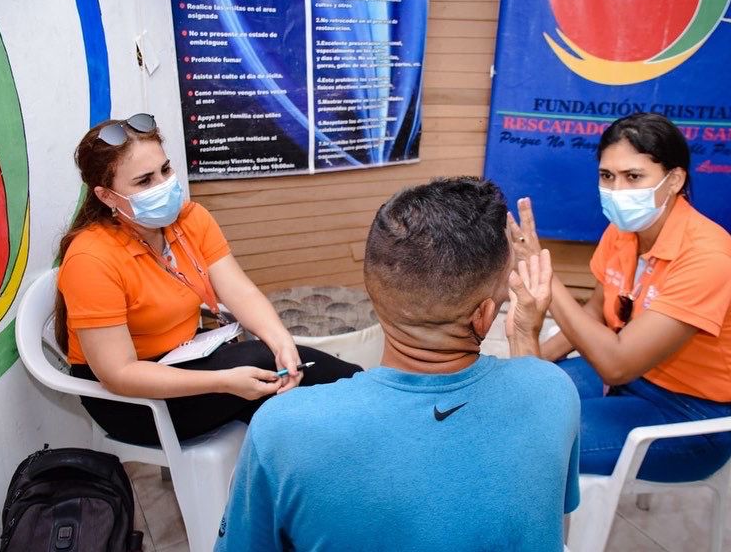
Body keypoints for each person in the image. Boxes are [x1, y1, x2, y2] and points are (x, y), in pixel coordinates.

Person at [216, 177, 580, 552]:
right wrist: (524, 333)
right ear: (485, 316)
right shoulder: (555, 393)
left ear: (374, 291)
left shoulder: (282, 430)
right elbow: (545, 504)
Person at [56, 113, 361, 445]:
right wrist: (224, 382)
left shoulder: (190, 220)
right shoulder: (91, 259)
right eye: (144, 181)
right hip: (131, 401)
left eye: (165, 170)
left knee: (289, 398)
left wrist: (282, 342)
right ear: (107, 196)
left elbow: (240, 292)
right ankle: (364, 394)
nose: (163, 185)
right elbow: (120, 374)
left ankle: (358, 420)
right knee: (264, 366)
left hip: (186, 355)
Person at [509, 112, 731, 482]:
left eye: (633, 176)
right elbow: (596, 311)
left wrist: (542, 273)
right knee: (512, 402)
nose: (617, 191)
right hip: (633, 378)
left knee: (528, 442)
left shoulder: (707, 258)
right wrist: (535, 362)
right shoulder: (624, 231)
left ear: (674, 180)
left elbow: (616, 364)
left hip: (691, 414)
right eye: (607, 176)